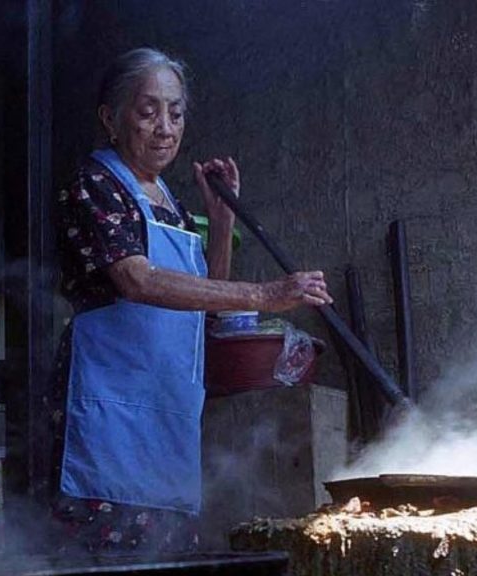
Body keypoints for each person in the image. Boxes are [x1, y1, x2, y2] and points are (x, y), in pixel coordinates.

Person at [49, 47, 332, 555]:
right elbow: (137, 280)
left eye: (175, 113)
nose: (165, 127)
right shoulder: (95, 185)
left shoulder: (170, 204)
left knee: (171, 562)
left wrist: (220, 224)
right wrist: (266, 293)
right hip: (110, 421)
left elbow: (204, 307)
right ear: (111, 119)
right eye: (147, 110)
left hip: (168, 423)